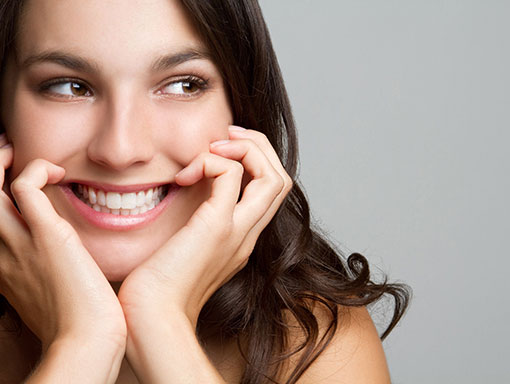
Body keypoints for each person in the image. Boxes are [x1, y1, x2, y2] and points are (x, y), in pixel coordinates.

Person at [0, 0, 410, 382]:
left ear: (240, 109)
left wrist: (161, 327)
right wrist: (80, 345)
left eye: (182, 85)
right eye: (69, 86)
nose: (120, 150)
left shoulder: (314, 345)